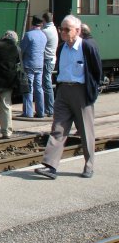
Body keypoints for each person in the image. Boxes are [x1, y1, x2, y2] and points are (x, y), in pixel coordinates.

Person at [35, 15, 102, 180]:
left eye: (67, 29)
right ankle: (50, 166)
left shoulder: (87, 47)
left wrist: (92, 93)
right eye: (61, 29)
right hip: (63, 91)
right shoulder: (61, 48)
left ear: (77, 31)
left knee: (86, 131)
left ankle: (89, 166)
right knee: (58, 128)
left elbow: (96, 72)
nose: (63, 32)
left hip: (81, 92)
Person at [19, 15, 46, 118]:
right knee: (39, 88)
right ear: (40, 24)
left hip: (29, 64)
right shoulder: (44, 35)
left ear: (32, 23)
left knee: (28, 88)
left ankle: (28, 112)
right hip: (40, 64)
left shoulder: (28, 35)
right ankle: (40, 112)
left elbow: (21, 50)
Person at [41, 12, 58, 117]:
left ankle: (50, 109)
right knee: (47, 83)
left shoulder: (45, 31)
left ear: (44, 20)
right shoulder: (54, 29)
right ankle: (49, 108)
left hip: (47, 59)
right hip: (51, 59)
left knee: (46, 84)